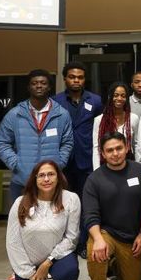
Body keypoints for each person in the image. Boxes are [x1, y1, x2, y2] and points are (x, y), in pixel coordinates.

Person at [0, 69, 74, 280]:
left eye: (43, 83)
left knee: (51, 228)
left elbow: (68, 142)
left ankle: (49, 265)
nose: (39, 86)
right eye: (34, 83)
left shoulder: (61, 114)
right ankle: (18, 271)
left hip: (52, 185)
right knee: (20, 229)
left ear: (50, 87)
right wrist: (17, 165)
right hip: (23, 182)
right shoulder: (15, 114)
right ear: (29, 87)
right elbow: (2, 143)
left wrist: (58, 165)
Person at [83, 132, 141, 280]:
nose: (115, 153)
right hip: (107, 233)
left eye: (119, 148)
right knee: (95, 249)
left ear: (127, 147)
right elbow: (90, 215)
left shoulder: (140, 171)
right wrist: (98, 239)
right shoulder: (94, 179)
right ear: (103, 154)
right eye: (110, 150)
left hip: (131, 237)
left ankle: (114, 263)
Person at [6, 161, 80, 280]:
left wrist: (47, 263)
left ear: (58, 177)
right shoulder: (20, 202)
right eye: (41, 175)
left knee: (67, 273)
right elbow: (13, 242)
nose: (46, 179)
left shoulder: (71, 199)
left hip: (57, 257)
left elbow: (72, 238)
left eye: (51, 174)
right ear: (34, 179)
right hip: (29, 262)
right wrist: (29, 272)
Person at [53, 61, 103, 200]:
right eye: (72, 77)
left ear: (84, 79)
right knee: (63, 199)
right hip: (63, 160)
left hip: (86, 158)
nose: (76, 80)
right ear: (65, 79)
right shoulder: (55, 102)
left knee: (87, 199)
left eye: (80, 77)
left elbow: (100, 128)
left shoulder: (95, 101)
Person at [92, 82, 139, 170]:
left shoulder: (133, 118)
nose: (119, 98)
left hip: (129, 164)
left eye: (123, 95)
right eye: (116, 95)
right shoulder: (99, 120)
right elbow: (96, 147)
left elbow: (136, 145)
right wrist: (96, 170)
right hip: (106, 166)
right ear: (110, 97)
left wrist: (138, 167)